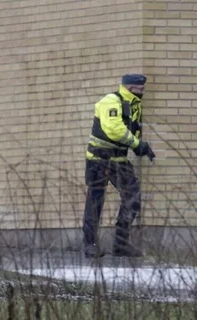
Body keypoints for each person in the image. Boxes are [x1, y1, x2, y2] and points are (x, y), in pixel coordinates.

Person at [82, 74, 156, 258]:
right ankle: (90, 245)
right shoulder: (111, 101)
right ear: (130, 87)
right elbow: (113, 129)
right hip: (98, 159)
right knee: (95, 202)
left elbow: (132, 129)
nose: (142, 92)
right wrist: (137, 144)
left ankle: (121, 244)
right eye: (139, 89)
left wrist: (139, 145)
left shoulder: (134, 105)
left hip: (119, 160)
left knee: (133, 197)